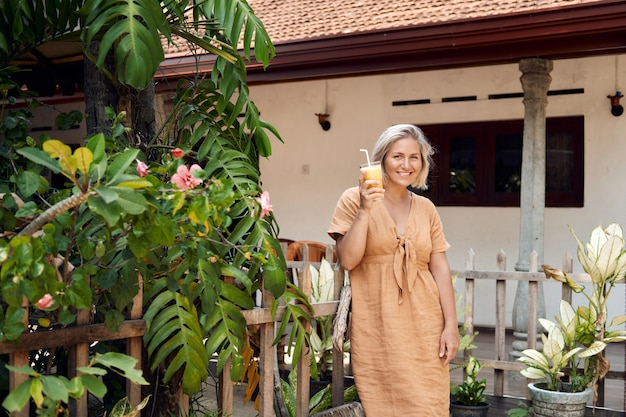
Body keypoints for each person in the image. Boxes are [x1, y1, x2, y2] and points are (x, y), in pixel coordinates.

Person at [328, 124, 459, 416]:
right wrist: (365, 210)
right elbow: (348, 260)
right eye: (398, 156)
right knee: (384, 402)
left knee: (430, 404)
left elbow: (439, 268)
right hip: (379, 325)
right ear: (382, 159)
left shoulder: (426, 209)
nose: (406, 164)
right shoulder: (353, 199)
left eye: (415, 157)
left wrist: (451, 326)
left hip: (426, 324)